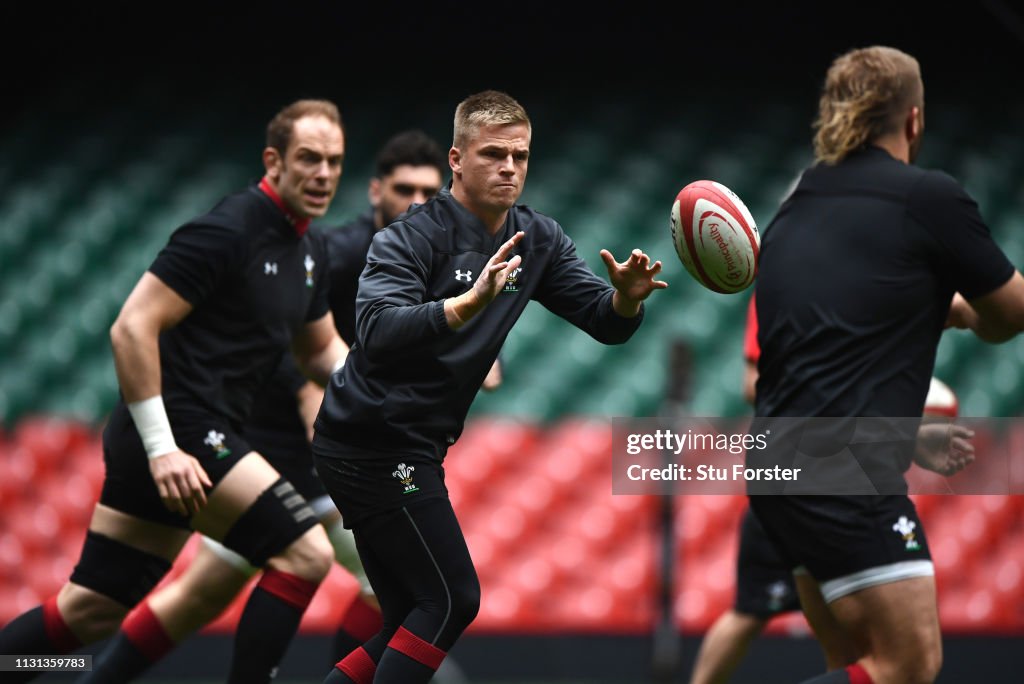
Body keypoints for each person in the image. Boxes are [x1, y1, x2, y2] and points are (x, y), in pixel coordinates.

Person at [77, 129, 479, 683]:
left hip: (272, 451)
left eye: (428, 192)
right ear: (374, 190)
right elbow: (291, 347)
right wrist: (319, 399)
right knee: (390, 584)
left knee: (132, 607)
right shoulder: (333, 254)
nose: (414, 202)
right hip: (293, 449)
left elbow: (372, 354)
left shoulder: (431, 262)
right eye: (403, 187)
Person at [312, 90, 667, 683]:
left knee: (406, 615)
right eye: (494, 154)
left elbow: (604, 324)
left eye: (521, 156)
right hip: (371, 441)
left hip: (404, 444)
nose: (510, 168)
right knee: (452, 600)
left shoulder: (539, 240)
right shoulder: (411, 237)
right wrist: (466, 304)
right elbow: (373, 329)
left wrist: (627, 301)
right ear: (456, 159)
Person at [0, 99, 349, 684]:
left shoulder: (308, 252)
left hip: (193, 440)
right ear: (274, 161)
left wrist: (386, 394)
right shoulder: (228, 229)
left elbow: (319, 352)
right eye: (309, 159)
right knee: (305, 556)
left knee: (89, 615)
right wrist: (163, 447)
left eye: (334, 162)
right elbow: (132, 325)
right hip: (177, 431)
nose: (323, 174)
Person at [748, 46, 1024, 684]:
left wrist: (935, 307)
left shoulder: (795, 206)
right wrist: (966, 313)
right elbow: (1011, 314)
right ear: (915, 120)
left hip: (777, 468)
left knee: (852, 663)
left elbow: (841, 333)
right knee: (909, 665)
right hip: (841, 477)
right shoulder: (928, 198)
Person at [689, 296, 974, 684]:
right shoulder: (789, 283)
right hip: (814, 480)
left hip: (812, 479)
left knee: (847, 653)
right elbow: (753, 384)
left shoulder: (853, 280)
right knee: (904, 663)